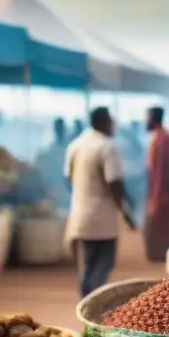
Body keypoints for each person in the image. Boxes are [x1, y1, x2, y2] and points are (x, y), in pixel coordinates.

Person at [64, 107, 136, 297]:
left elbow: (68, 178)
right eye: (111, 121)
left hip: (80, 215)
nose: (113, 125)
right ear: (103, 121)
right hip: (102, 218)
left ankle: (84, 306)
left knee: (87, 266)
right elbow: (114, 182)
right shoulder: (107, 146)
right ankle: (92, 308)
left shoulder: (75, 145)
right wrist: (126, 213)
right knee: (102, 266)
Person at [144, 106, 169, 262]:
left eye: (147, 117)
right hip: (158, 190)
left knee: (159, 225)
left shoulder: (162, 139)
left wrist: (157, 195)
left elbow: (161, 171)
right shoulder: (160, 137)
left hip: (161, 192)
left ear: (153, 118)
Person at [34, 118, 70, 209]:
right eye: (58, 129)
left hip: (67, 199)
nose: (60, 132)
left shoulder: (70, 152)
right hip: (51, 198)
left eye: (61, 129)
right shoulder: (45, 154)